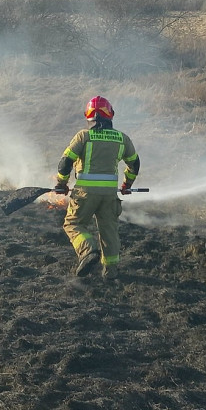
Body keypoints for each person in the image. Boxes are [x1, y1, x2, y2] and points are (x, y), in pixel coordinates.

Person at [53, 95, 141, 279]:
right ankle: (111, 272)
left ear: (89, 116)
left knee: (73, 223)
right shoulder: (122, 139)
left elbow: (65, 163)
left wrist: (61, 184)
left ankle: (88, 251)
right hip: (109, 196)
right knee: (109, 231)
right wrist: (126, 185)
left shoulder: (83, 136)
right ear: (110, 115)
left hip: (85, 193)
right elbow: (135, 164)